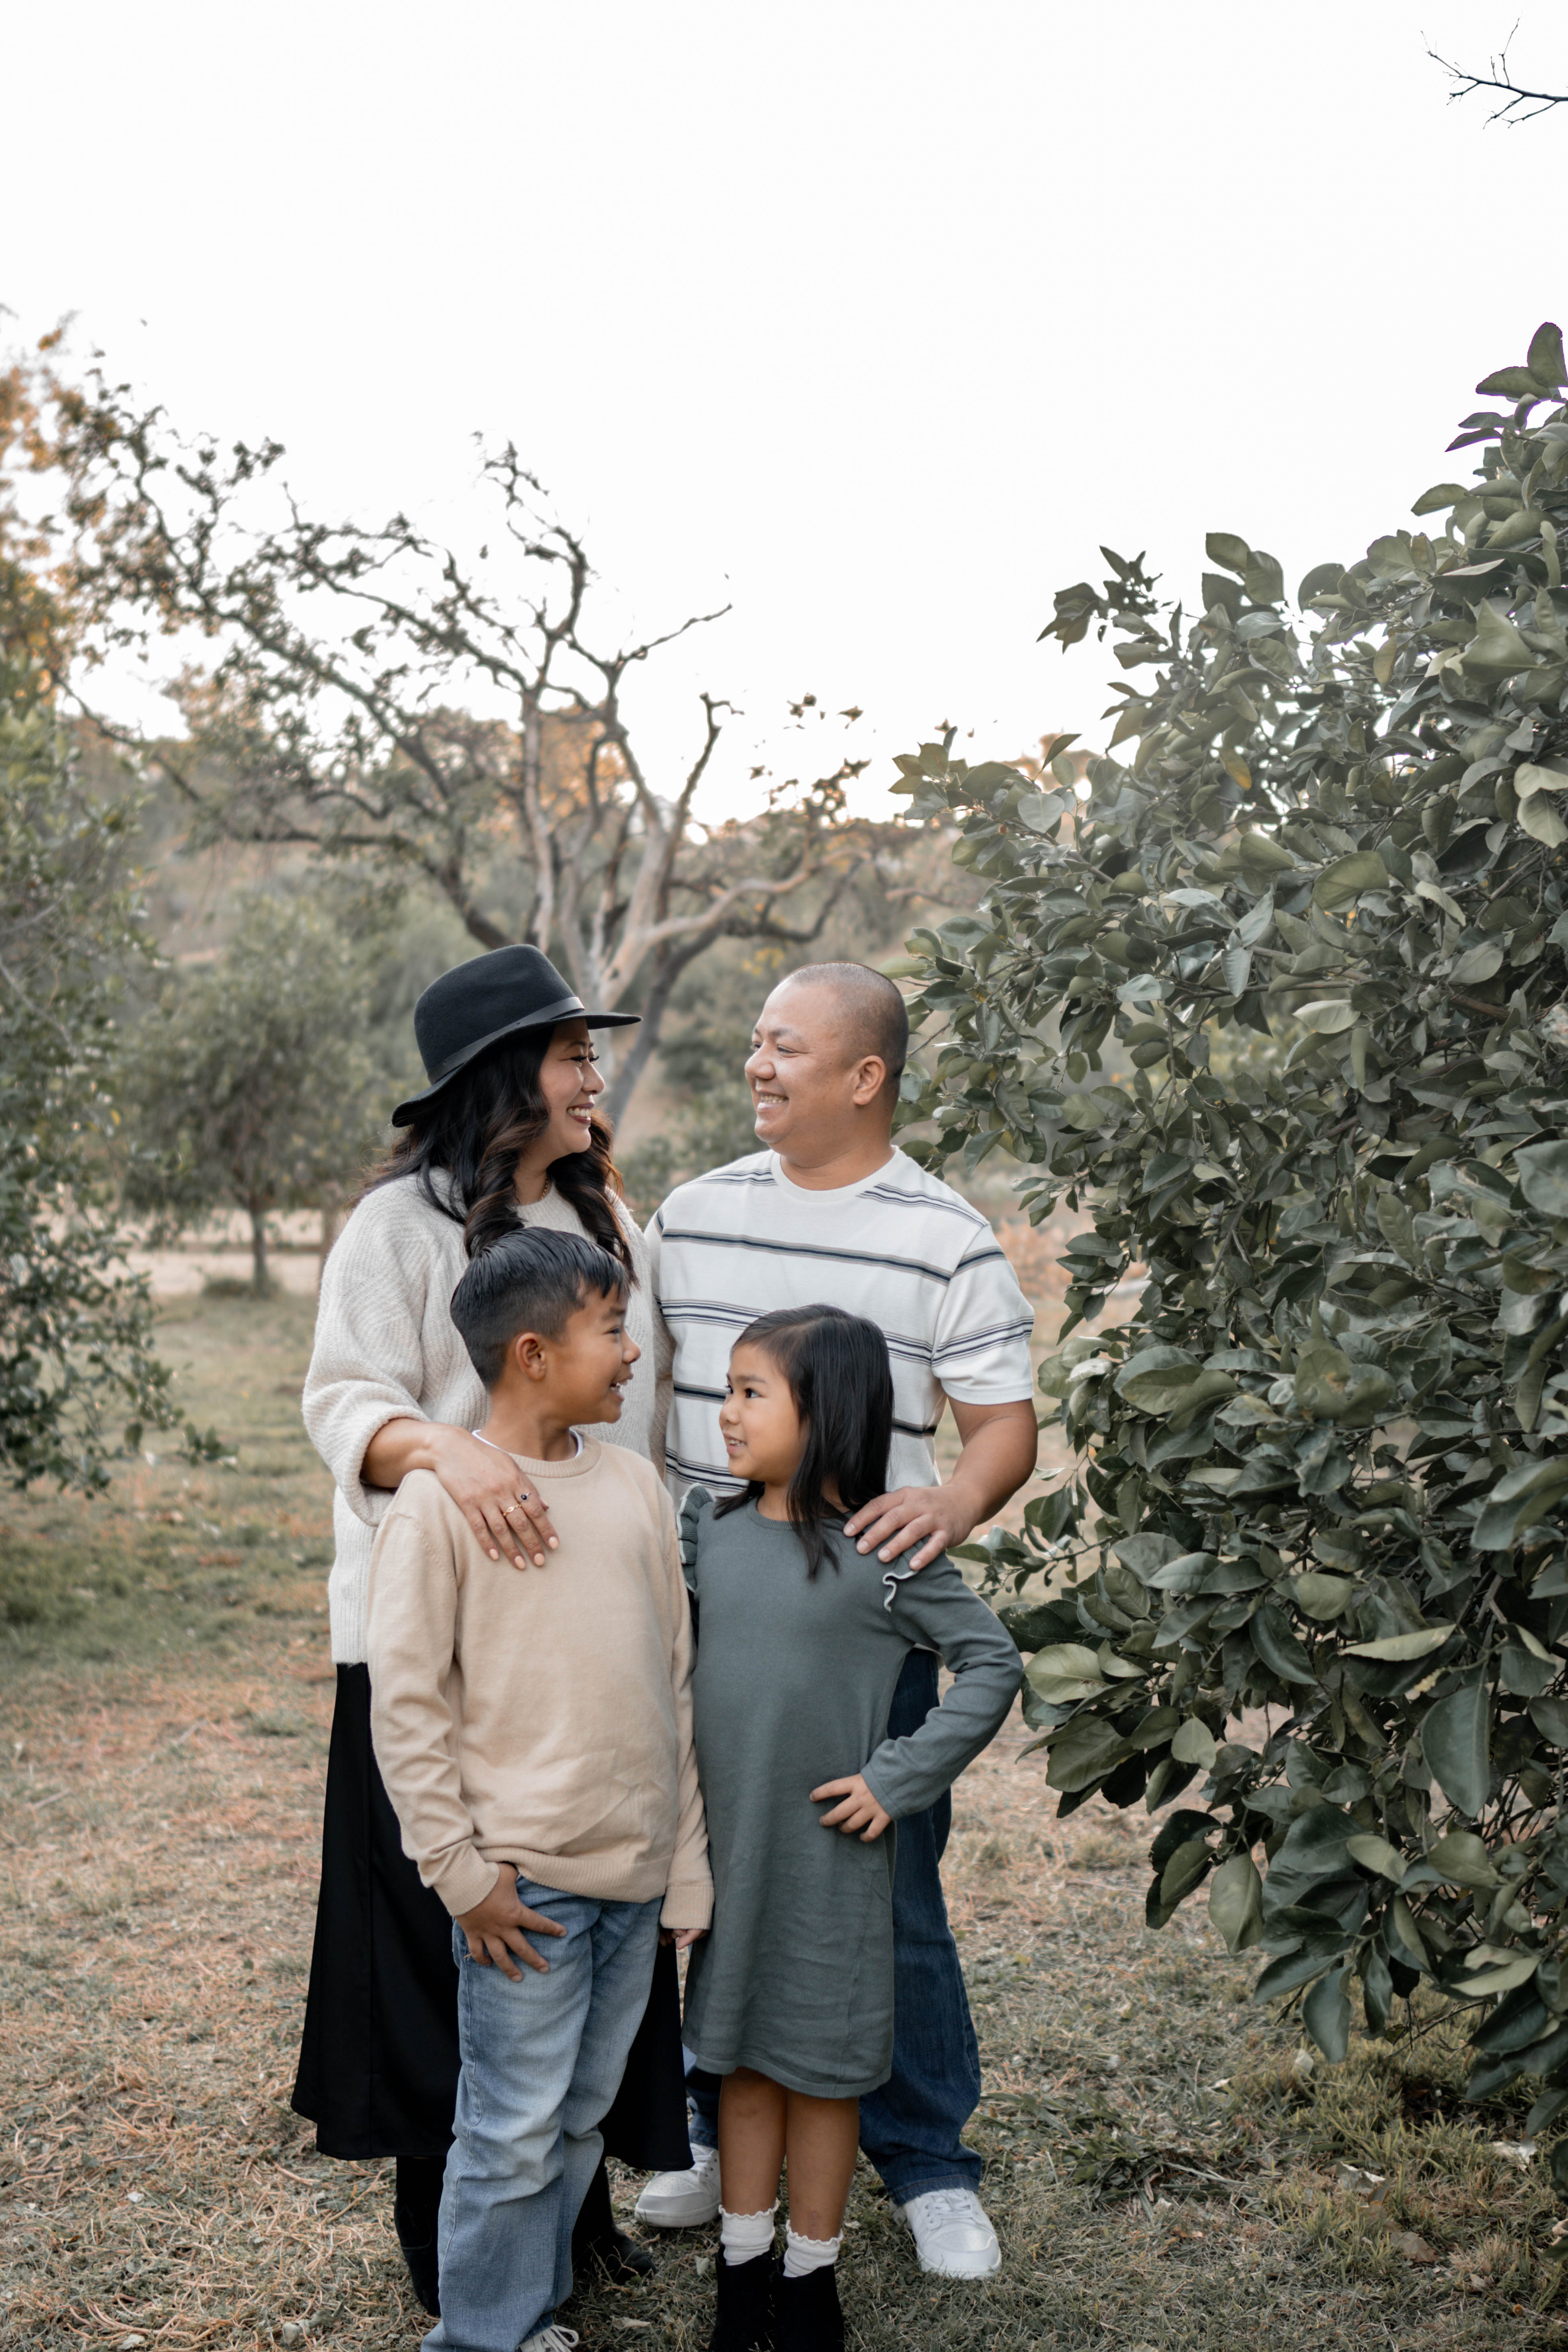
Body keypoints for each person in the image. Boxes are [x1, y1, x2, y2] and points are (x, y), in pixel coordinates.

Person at [294, 943, 690, 2315]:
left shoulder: (603, 1220)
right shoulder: (396, 1228)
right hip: (445, 1651)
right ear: (505, 1077)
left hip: (586, 1659)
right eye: (574, 1055)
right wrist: (447, 1450)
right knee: (457, 1947)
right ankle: (450, 2256)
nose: (594, 1078)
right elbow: (342, 1401)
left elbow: (639, 1415)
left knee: (585, 1952)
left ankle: (571, 2222)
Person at [641, 961, 1038, 2279]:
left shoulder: (945, 1236)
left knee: (888, 1899)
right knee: (707, 1886)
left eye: (785, 1046)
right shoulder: (690, 1215)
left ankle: (926, 2163)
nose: (756, 1065)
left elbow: (1002, 1427)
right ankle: (710, 2129)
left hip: (860, 1634)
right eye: (756, 1042)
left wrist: (952, 1504)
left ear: (865, 1077)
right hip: (709, 1617)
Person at [368, 1227, 711, 2352]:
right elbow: (407, 1707)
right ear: (531, 1354)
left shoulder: (637, 1488)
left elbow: (674, 1682)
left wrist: (682, 1866)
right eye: (612, 1330)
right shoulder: (438, 1507)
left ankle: (525, 2317)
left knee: (576, 2122)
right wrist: (461, 1877)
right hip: (524, 1895)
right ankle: (479, 2339)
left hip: (632, 1879)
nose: (631, 1353)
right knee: (511, 2130)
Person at [683, 1306, 1021, 2352]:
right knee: (741, 2065)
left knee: (823, 2075)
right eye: (727, 1388)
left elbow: (992, 1663)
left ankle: (809, 2280)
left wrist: (896, 1779)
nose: (726, 1411)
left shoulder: (886, 1550)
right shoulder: (706, 1531)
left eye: (751, 1392)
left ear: (823, 1412)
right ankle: (742, 2270)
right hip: (730, 1862)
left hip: (833, 1866)